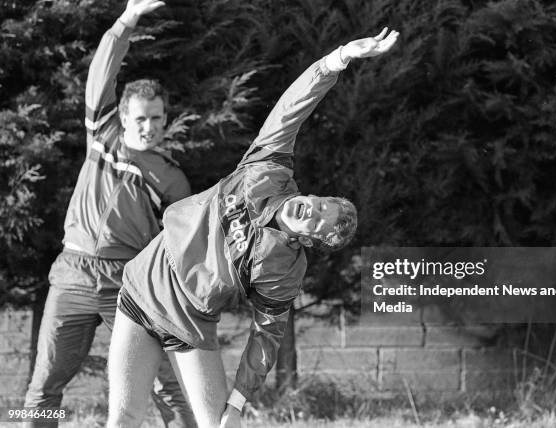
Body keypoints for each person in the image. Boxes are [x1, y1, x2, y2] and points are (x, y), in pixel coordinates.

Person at [106, 27, 399, 428]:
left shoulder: (284, 269)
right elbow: (290, 110)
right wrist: (339, 58)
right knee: (123, 417)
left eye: (318, 221)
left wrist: (239, 402)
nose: (312, 209)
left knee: (216, 426)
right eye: (320, 202)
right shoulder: (266, 170)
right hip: (142, 287)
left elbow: (266, 337)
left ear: (309, 241)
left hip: (189, 323)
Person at [24, 1, 196, 427]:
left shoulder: (172, 181)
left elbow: (177, 250)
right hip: (73, 274)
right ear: (122, 117)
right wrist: (127, 20)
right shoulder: (102, 135)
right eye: (140, 118)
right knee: (45, 381)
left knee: (165, 384)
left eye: (156, 118)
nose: (148, 127)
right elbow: (102, 71)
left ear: (165, 119)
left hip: (128, 285)